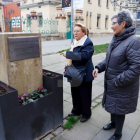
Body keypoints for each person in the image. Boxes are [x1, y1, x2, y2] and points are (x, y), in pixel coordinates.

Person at [93, 10, 140, 140]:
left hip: (122, 84)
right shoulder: (116, 38)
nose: (111, 26)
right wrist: (98, 67)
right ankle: (113, 124)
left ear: (123, 24)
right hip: (114, 82)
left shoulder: (133, 41)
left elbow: (136, 67)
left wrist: (119, 80)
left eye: (113, 23)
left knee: (119, 108)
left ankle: (118, 134)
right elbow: (109, 59)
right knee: (113, 105)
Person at [60, 23, 94, 122]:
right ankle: (76, 110)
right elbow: (71, 58)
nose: (75, 33)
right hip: (74, 72)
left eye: (78, 31)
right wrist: (66, 67)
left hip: (84, 73)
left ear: (84, 32)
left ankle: (86, 114)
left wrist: (68, 54)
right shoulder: (75, 42)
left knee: (84, 95)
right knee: (75, 93)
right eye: (74, 31)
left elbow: (83, 56)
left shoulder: (87, 43)